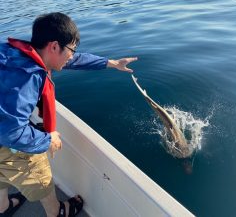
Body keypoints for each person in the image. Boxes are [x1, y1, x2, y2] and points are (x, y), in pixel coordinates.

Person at [0, 12, 137, 217]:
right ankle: (57, 212)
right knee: (40, 174)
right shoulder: (27, 79)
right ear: (54, 46)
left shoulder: (12, 53)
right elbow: (11, 133)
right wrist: (47, 139)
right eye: (72, 50)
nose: (72, 56)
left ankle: (3, 206)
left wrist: (112, 63)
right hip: (5, 140)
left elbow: (75, 60)